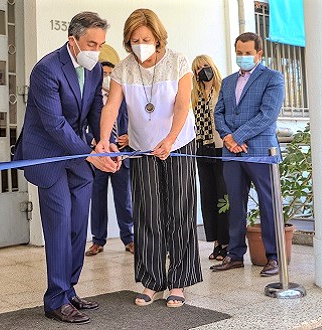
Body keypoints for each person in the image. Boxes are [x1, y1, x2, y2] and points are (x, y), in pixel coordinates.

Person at [14, 12, 118, 324]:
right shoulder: (46, 69)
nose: (96, 51)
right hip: (47, 153)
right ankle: (55, 299)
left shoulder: (96, 68)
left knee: (77, 226)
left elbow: (97, 110)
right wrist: (90, 153)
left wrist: (104, 142)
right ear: (73, 40)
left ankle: (69, 288)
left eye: (100, 45)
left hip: (77, 155)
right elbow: (55, 124)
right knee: (59, 224)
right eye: (90, 44)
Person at [95, 8, 202, 308]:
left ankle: (179, 282)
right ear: (128, 42)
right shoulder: (123, 69)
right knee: (148, 213)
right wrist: (104, 139)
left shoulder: (178, 62)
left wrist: (169, 139)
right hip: (142, 148)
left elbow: (182, 105)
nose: (141, 43)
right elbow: (111, 108)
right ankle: (151, 280)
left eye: (146, 38)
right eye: (135, 39)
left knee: (179, 213)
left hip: (178, 144)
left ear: (158, 39)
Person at [212, 32, 285, 277]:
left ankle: (274, 257)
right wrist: (227, 138)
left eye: (247, 53)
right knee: (235, 203)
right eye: (239, 53)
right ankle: (234, 254)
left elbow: (268, 115)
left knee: (268, 203)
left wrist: (237, 137)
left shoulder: (273, 78)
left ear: (259, 53)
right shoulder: (228, 81)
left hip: (260, 150)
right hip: (232, 153)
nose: (243, 57)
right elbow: (218, 113)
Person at [85, 61, 135, 256]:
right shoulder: (91, 100)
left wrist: (130, 137)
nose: (106, 77)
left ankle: (129, 239)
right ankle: (98, 241)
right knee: (97, 200)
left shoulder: (124, 98)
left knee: (124, 200)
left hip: (121, 157)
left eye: (109, 73)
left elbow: (136, 122)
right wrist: (93, 141)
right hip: (98, 157)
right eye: (103, 73)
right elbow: (82, 127)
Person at [191, 55, 229, 261]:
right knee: (208, 196)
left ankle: (227, 243)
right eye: (198, 68)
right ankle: (215, 242)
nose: (202, 71)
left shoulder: (223, 90)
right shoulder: (193, 95)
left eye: (205, 66)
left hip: (221, 148)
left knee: (223, 194)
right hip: (202, 149)